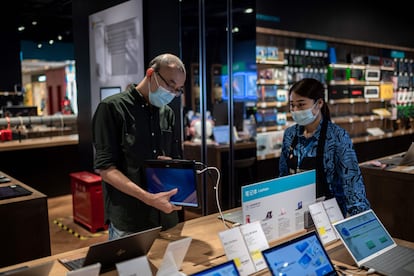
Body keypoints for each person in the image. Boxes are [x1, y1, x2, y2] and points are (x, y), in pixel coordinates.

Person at [92, 53, 186, 240]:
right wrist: (148, 198)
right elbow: (105, 169)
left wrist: (172, 165)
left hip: (166, 217)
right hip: (130, 219)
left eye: (178, 89)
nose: (172, 93)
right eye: (169, 84)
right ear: (151, 73)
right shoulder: (112, 108)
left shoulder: (167, 113)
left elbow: (175, 158)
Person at [279, 78, 370, 217]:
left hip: (329, 214)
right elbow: (283, 177)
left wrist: (359, 221)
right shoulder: (290, 135)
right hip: (295, 212)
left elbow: (352, 183)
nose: (295, 110)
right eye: (292, 105)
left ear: (319, 103)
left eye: (301, 105)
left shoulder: (337, 136)